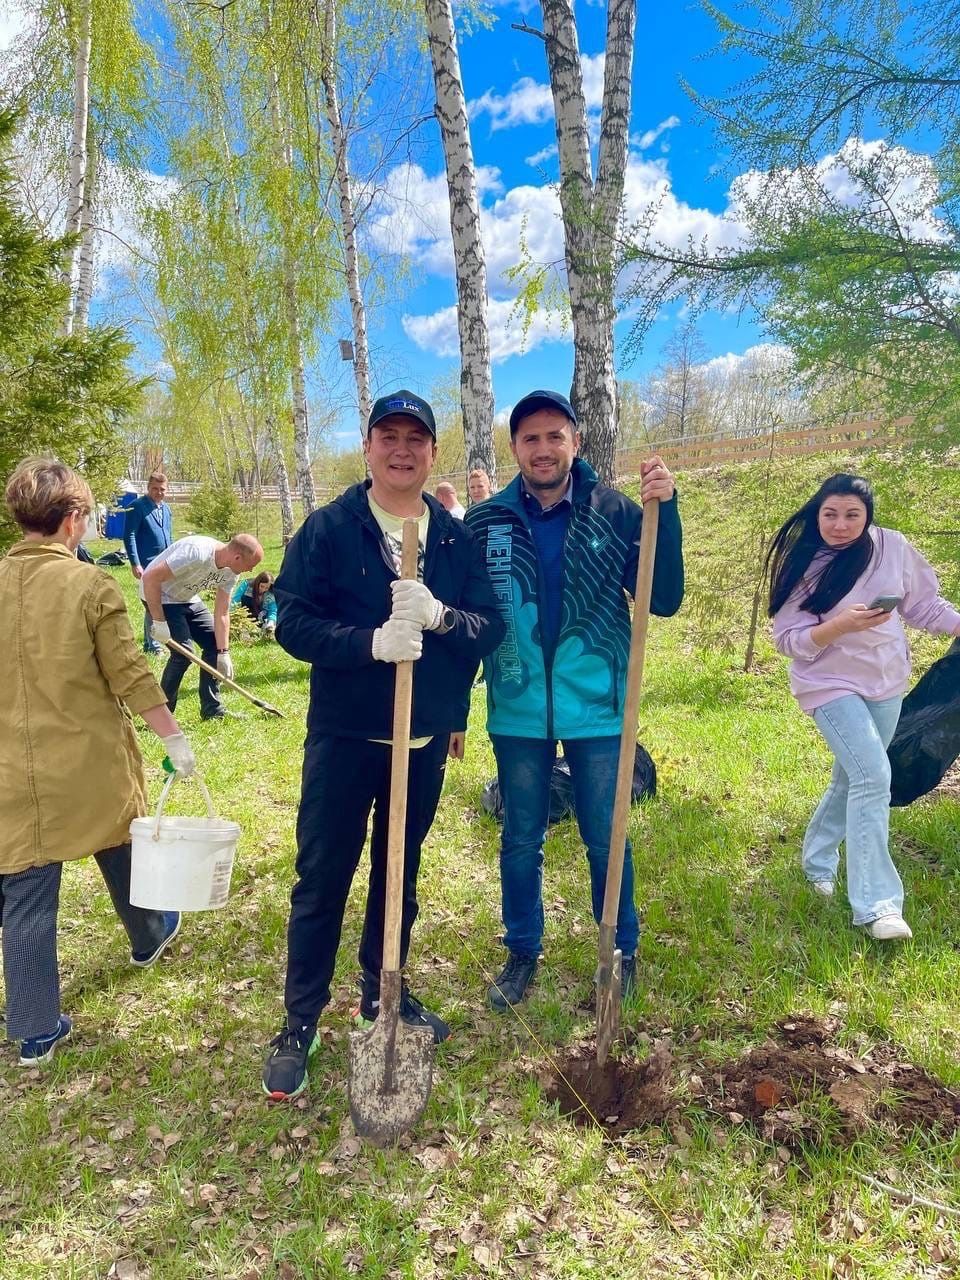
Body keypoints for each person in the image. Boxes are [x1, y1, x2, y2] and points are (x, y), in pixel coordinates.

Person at [261, 389, 505, 1101]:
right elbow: (292, 623)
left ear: (433, 453)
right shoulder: (330, 529)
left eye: (416, 440)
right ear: (368, 447)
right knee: (322, 879)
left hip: (420, 740)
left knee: (399, 873)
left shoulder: (455, 539)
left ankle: (381, 989)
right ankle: (299, 1022)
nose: (402, 451)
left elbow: (487, 627)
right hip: (345, 737)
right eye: (388, 437)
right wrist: (368, 643)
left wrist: (439, 617)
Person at [464, 389, 684, 1010]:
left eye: (554, 436)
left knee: (605, 836)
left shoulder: (614, 512)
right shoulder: (486, 524)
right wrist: (454, 709)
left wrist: (666, 517)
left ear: (575, 443)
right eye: (530, 438)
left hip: (598, 707)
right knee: (520, 837)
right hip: (517, 706)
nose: (542, 449)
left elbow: (662, 597)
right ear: (515, 449)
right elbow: (466, 620)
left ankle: (620, 949)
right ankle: (522, 954)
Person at [0, 458, 197, 1066]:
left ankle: (34, 1029)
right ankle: (150, 933)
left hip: (10, 773)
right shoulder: (90, 586)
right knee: (118, 837)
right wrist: (172, 737)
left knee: (27, 889)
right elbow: (130, 674)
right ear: (74, 519)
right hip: (89, 762)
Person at [768, 473, 960, 940]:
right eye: (830, 513)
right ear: (817, 513)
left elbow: (924, 607)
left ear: (868, 515)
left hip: (886, 681)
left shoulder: (891, 546)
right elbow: (787, 640)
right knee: (874, 777)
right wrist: (838, 626)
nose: (840, 524)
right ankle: (878, 907)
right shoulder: (805, 562)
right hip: (826, 683)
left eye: (852, 514)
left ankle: (816, 863)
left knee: (849, 776)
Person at [141, 532, 263, 721]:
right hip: (160, 594)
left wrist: (224, 652)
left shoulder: (232, 571)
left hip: (187, 597)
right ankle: (161, 717)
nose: (250, 571)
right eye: (250, 566)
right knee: (182, 653)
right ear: (237, 557)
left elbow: (222, 612)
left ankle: (212, 709)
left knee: (215, 644)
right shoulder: (196, 553)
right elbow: (150, 577)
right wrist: (159, 622)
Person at [123, 471, 173, 655]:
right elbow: (129, 535)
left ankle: (158, 641)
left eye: (162, 489)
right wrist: (135, 562)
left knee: (163, 602)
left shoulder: (166, 509)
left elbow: (169, 536)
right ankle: (153, 645)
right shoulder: (137, 507)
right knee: (151, 603)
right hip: (147, 564)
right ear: (148, 488)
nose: (159, 492)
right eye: (155, 489)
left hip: (164, 563)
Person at [233, 570, 278, 639]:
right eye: (262, 586)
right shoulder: (247, 585)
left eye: (266, 588)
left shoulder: (271, 594)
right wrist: (234, 615)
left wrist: (271, 622)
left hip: (260, 617)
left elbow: (273, 610)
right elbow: (235, 600)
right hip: (244, 615)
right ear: (257, 583)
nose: (263, 590)